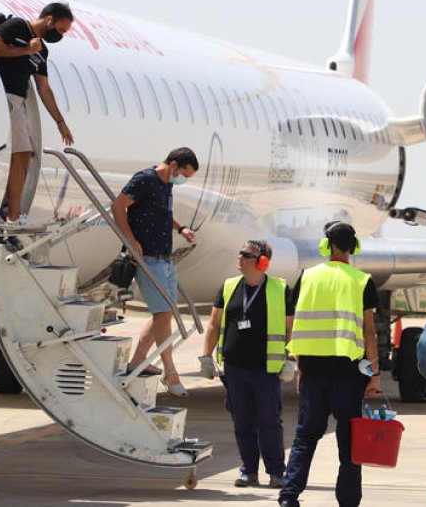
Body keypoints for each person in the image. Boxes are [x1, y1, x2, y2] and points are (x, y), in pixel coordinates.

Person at [279, 221, 382, 507]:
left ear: (326, 246)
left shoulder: (307, 277)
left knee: (305, 438)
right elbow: (369, 332)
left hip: (313, 371)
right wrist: (374, 374)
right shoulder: (362, 281)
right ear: (354, 247)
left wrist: (299, 366)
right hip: (349, 375)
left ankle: (288, 496)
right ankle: (348, 501)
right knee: (349, 444)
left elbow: (295, 325)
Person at [199, 240, 294, 488]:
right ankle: (248, 471)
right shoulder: (228, 286)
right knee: (242, 422)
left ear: (262, 262)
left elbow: (290, 329)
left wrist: (291, 359)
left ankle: (276, 472)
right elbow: (214, 324)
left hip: (265, 369)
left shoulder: (280, 289)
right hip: (235, 368)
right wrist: (206, 356)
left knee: (269, 421)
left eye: (246, 254)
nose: (239, 257)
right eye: (239, 253)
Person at [112, 147, 199, 397]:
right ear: (173, 165)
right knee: (162, 314)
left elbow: (163, 213)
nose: (183, 180)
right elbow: (118, 206)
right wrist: (130, 241)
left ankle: (138, 361)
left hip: (165, 258)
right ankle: (170, 372)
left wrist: (181, 228)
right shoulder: (146, 179)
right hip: (148, 259)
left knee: (165, 313)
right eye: (184, 175)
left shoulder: (166, 183)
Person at [0, 2, 75, 226]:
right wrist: (25, 50)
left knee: (23, 155)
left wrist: (60, 121)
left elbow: (44, 88)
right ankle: (5, 213)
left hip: (17, 102)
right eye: (61, 30)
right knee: (11, 154)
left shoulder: (42, 51)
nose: (61, 35)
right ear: (49, 20)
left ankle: (14, 216)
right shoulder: (17, 26)